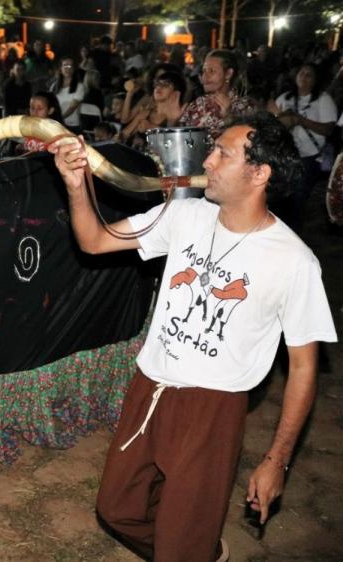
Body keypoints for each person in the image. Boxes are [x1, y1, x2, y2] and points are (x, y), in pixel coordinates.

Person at [49, 113, 336, 561]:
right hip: (150, 387)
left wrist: (276, 460)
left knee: (180, 542)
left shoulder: (294, 262)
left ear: (259, 174)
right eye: (213, 149)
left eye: (223, 152)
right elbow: (95, 240)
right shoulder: (182, 214)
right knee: (116, 508)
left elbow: (303, 370)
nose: (208, 160)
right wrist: (74, 183)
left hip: (212, 408)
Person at [268, 63, 338, 231]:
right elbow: (272, 125)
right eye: (302, 73)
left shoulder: (322, 99)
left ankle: (293, 231)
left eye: (309, 75)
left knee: (298, 196)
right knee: (281, 197)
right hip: (285, 156)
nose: (304, 77)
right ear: (296, 76)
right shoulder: (285, 98)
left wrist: (301, 120)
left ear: (315, 80)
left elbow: (328, 129)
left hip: (310, 156)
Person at [179, 49, 256, 137]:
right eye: (204, 71)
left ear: (228, 74)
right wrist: (172, 121)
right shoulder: (198, 104)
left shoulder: (244, 106)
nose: (205, 77)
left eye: (212, 71)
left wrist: (229, 117)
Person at [120, 70, 186, 144]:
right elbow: (122, 136)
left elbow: (179, 143)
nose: (159, 87)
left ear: (176, 93)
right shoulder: (145, 114)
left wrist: (151, 127)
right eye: (157, 84)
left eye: (165, 85)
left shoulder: (182, 114)